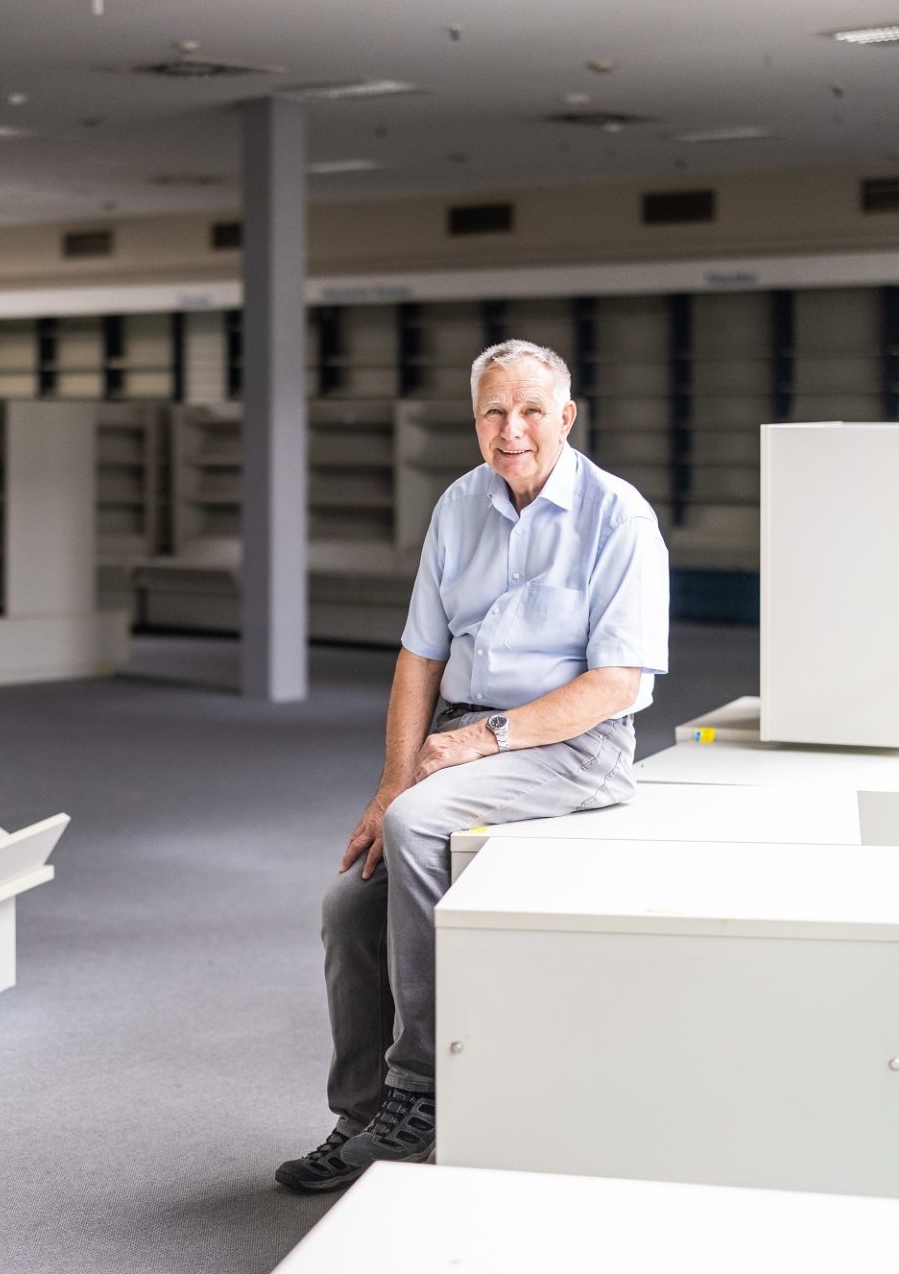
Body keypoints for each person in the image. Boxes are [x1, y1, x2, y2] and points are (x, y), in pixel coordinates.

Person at [275, 338, 670, 1192]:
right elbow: (420, 655)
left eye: (532, 410)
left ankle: (421, 1091)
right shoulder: (460, 503)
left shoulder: (618, 517)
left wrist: (471, 747)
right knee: (349, 900)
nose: (511, 429)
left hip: (573, 744)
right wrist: (390, 784)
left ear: (566, 417)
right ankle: (361, 1112)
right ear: (475, 419)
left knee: (422, 825)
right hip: (459, 734)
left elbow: (616, 683)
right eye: (494, 411)